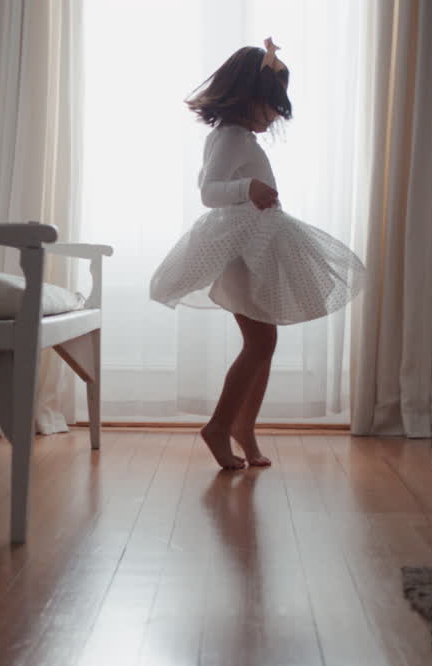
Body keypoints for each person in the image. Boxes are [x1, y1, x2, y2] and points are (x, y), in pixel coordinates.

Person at [149, 38, 366, 470]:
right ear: (247, 99)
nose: (272, 116)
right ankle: (220, 425)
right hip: (239, 249)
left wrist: (254, 190)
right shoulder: (229, 136)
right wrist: (247, 188)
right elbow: (209, 192)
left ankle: (242, 428)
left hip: (253, 246)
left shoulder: (238, 135)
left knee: (264, 341)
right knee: (261, 341)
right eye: (269, 106)